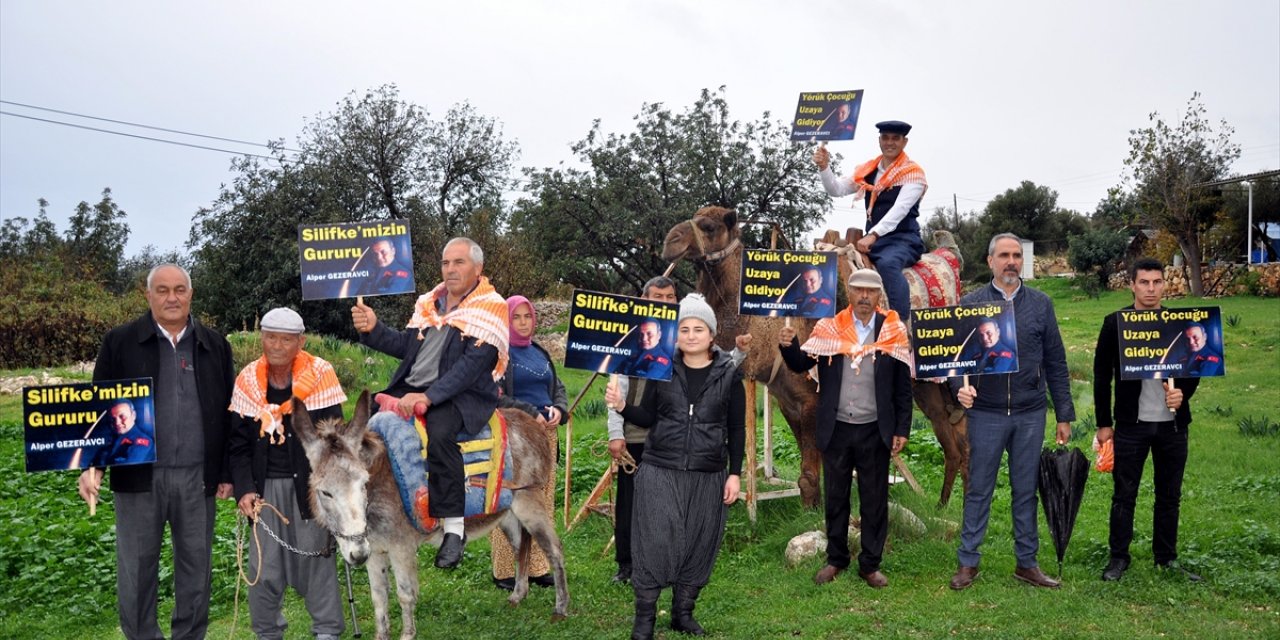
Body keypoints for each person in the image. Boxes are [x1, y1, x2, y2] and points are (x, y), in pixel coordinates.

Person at [77, 263, 235, 640]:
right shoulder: (121, 341)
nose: (172, 298)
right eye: (162, 290)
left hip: (198, 477)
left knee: (196, 569)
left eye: (179, 289)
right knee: (136, 568)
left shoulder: (214, 344)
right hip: (138, 476)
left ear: (191, 294)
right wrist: (93, 464)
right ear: (147, 295)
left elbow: (230, 412)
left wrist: (227, 471)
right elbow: (100, 410)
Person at [350, 237, 508, 570]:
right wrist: (374, 328)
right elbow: (406, 346)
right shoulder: (429, 304)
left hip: (459, 396)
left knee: (440, 434)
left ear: (478, 268)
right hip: (411, 388)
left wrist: (429, 397)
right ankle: (363, 514)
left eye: (459, 262)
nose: (450, 269)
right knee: (364, 433)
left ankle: (453, 529)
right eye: (446, 263)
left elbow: (471, 367)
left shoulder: (491, 307)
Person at [606, 293, 745, 640]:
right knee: (654, 542)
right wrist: (622, 405)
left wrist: (734, 473)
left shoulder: (729, 374)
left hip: (708, 472)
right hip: (660, 468)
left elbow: (737, 429)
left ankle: (683, 613)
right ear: (675, 335)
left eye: (699, 328)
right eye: (684, 328)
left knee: (699, 543)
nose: (692, 335)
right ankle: (644, 619)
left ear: (712, 335)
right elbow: (649, 417)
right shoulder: (661, 369)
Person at [949, 233, 1074, 591]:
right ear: (990, 261)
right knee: (978, 489)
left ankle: (1027, 563)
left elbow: (1056, 361)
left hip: (1030, 412)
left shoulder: (1041, 304)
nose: (1011, 262)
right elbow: (955, 360)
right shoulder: (971, 304)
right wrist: (960, 388)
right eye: (1004, 255)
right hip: (986, 413)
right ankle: (968, 562)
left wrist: (1063, 413)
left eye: (1017, 255)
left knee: (1025, 490)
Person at [777, 269, 912, 588]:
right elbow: (800, 364)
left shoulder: (893, 330)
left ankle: (870, 564)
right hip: (836, 428)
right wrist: (788, 346)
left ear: (879, 296)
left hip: (874, 428)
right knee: (836, 497)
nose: (864, 297)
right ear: (848, 294)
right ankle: (837, 559)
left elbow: (902, 386)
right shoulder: (829, 328)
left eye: (871, 291)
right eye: (858, 291)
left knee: (874, 499)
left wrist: (902, 428)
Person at [228, 307, 347, 639]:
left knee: (316, 562)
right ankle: (267, 633)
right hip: (264, 491)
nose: (276, 346)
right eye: (270, 338)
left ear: (301, 341)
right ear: (261, 338)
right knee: (263, 570)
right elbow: (237, 445)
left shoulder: (321, 375)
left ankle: (327, 632)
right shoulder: (247, 380)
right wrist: (244, 489)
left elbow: (333, 440)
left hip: (309, 488)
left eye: (285, 339)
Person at [1093, 258, 1202, 582]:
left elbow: (1192, 368)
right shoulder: (1115, 323)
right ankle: (1118, 557)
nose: (1151, 289)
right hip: (1131, 424)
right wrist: (1103, 423)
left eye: (1157, 282)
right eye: (1144, 282)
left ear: (1164, 285)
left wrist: (1182, 393)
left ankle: (1166, 557)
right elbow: (1101, 377)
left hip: (1172, 425)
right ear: (1132, 285)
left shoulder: (1178, 324)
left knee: (1169, 495)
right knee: (1124, 494)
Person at [489, 295, 567, 591]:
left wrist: (559, 409)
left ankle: (537, 567)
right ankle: (505, 570)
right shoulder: (500, 353)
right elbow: (494, 394)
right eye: (516, 317)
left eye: (527, 317)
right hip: (517, 434)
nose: (522, 323)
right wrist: (531, 412)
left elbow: (557, 387)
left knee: (541, 500)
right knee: (511, 498)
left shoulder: (540, 352)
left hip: (546, 434)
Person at [814, 120, 927, 319]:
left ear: (904, 142)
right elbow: (836, 189)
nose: (889, 143)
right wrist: (824, 168)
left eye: (895, 138)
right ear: (879, 140)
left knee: (888, 265)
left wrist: (873, 235)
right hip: (873, 240)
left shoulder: (913, 174)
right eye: (885, 138)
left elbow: (898, 211)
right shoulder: (868, 171)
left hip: (903, 239)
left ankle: (900, 326)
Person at [606, 276, 677, 584]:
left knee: (666, 503)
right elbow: (616, 389)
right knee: (630, 505)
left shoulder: (682, 337)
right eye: (657, 297)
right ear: (644, 300)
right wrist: (615, 433)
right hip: (634, 436)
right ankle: (627, 565)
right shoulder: (629, 340)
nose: (663, 303)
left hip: (670, 438)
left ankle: (662, 563)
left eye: (669, 297)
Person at [90, 400, 156, 467]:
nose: (117, 422)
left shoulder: (142, 441)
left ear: (133, 415)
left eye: (122, 416)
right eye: (113, 419)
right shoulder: (110, 443)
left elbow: (127, 469)